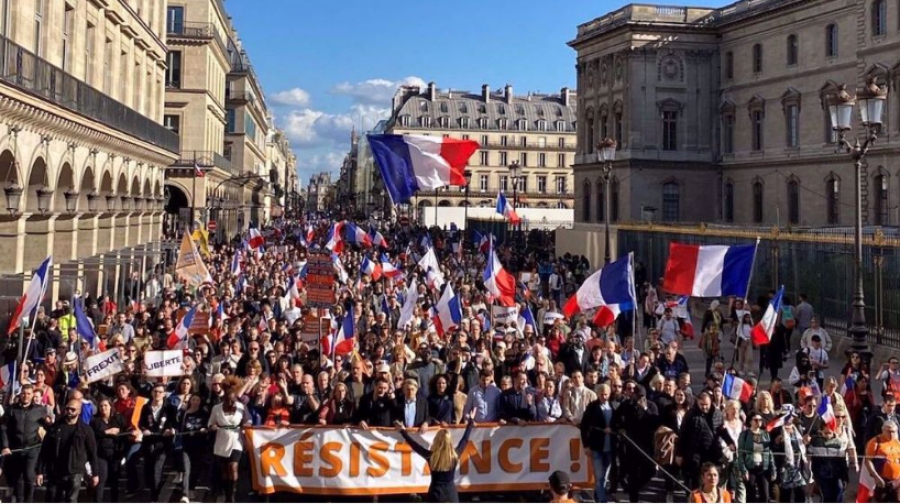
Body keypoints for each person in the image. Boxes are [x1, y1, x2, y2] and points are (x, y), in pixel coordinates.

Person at [394, 408, 476, 502]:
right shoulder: (454, 455)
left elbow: (414, 445)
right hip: (450, 494)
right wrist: (470, 422)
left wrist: (403, 432)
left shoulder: (431, 456)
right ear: (449, 442)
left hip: (435, 493)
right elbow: (465, 439)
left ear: (436, 441)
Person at [36, 399, 100, 503]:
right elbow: (44, 451)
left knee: (71, 499)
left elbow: (92, 453)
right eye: (67, 408)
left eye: (73, 409)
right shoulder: (55, 427)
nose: (69, 411)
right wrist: (39, 472)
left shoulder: (85, 430)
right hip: (55, 470)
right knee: (53, 498)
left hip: (75, 471)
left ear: (79, 411)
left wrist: (95, 473)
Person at [1, 384, 48, 503]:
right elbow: (3, 428)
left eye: (28, 394)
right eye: (23, 393)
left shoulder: (40, 410)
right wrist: (5, 446)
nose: (25, 396)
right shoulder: (11, 409)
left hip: (32, 448)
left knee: (28, 475)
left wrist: (47, 426)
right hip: (16, 448)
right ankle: (20, 501)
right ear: (20, 394)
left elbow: (47, 427)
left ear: (32, 395)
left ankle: (29, 500)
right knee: (18, 478)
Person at [208, 387, 250, 503]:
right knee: (225, 469)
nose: (231, 403)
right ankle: (227, 493)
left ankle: (232, 494)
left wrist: (246, 426)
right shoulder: (216, 408)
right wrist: (213, 427)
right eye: (228, 400)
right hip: (221, 440)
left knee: (233, 466)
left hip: (236, 440)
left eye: (232, 400)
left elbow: (248, 420)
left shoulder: (241, 408)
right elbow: (211, 423)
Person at [581, 383, 616, 503]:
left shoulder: (613, 406)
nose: (604, 397)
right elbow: (584, 427)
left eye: (606, 394)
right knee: (599, 475)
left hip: (610, 447)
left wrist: (613, 430)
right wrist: (586, 445)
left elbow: (618, 424)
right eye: (601, 394)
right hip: (597, 446)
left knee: (605, 476)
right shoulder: (592, 407)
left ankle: (598, 493)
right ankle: (602, 500)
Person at [90, 397, 125, 503]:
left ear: (110, 406)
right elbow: (91, 436)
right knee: (101, 480)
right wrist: (106, 432)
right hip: (101, 454)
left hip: (115, 453)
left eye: (105, 405)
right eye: (101, 406)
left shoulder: (118, 419)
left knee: (114, 480)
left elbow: (126, 431)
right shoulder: (95, 421)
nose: (103, 408)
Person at [865, 422, 900, 502]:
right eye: (888, 431)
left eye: (893, 432)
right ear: (883, 430)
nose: (891, 434)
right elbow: (868, 461)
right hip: (882, 481)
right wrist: (876, 477)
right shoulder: (875, 442)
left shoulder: (897, 442)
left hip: (897, 481)